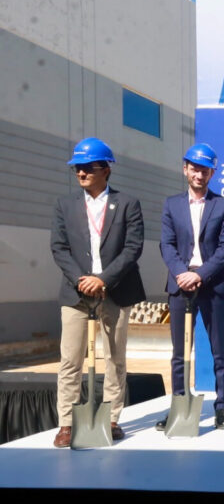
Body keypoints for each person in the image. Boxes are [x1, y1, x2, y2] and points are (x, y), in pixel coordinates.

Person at [50, 137, 146, 447]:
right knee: (70, 360)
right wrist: (82, 280)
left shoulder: (128, 203)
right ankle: (67, 423)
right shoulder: (64, 205)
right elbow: (59, 248)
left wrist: (103, 279)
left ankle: (112, 418)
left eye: (88, 168)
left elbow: (132, 249)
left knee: (115, 358)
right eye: (77, 168)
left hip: (115, 290)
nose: (80, 173)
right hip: (76, 293)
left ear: (106, 170)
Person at [157, 143, 224, 431]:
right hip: (180, 285)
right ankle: (179, 406)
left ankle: (222, 407)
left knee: (220, 350)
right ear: (185, 169)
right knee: (180, 352)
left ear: (212, 173)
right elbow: (166, 244)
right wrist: (182, 273)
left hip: (213, 284)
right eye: (194, 169)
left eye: (204, 170)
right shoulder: (171, 204)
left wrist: (199, 274)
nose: (199, 174)